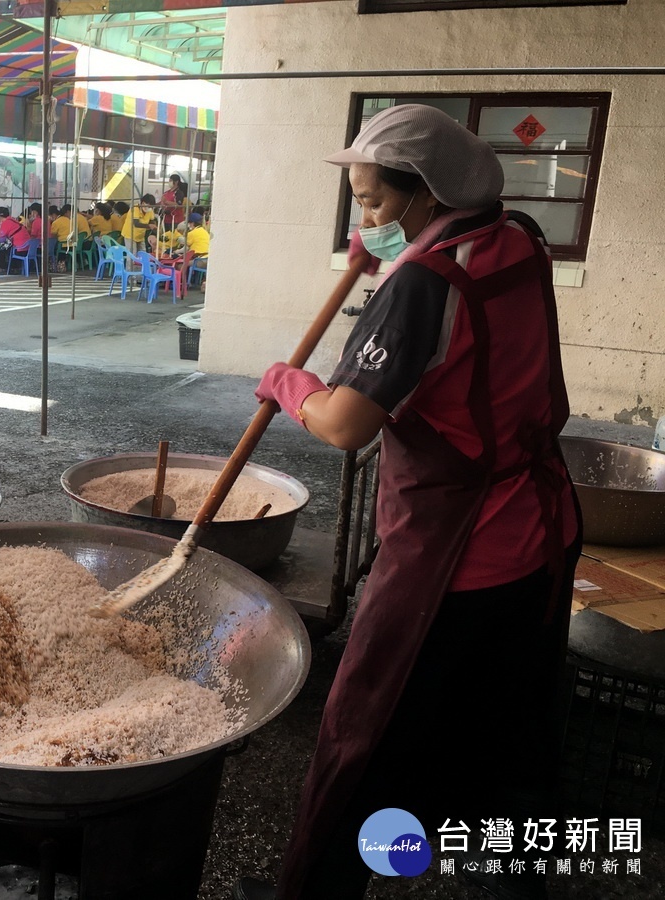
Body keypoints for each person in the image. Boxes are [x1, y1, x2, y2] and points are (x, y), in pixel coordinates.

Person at [235, 104, 581, 900]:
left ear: (428, 198)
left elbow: (346, 423)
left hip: (458, 557)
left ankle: (319, 889)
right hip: (542, 534)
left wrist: (289, 383)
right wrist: (396, 251)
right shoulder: (518, 237)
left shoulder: (424, 284)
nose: (365, 220)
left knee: (364, 734)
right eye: (357, 202)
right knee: (502, 731)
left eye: (376, 204)